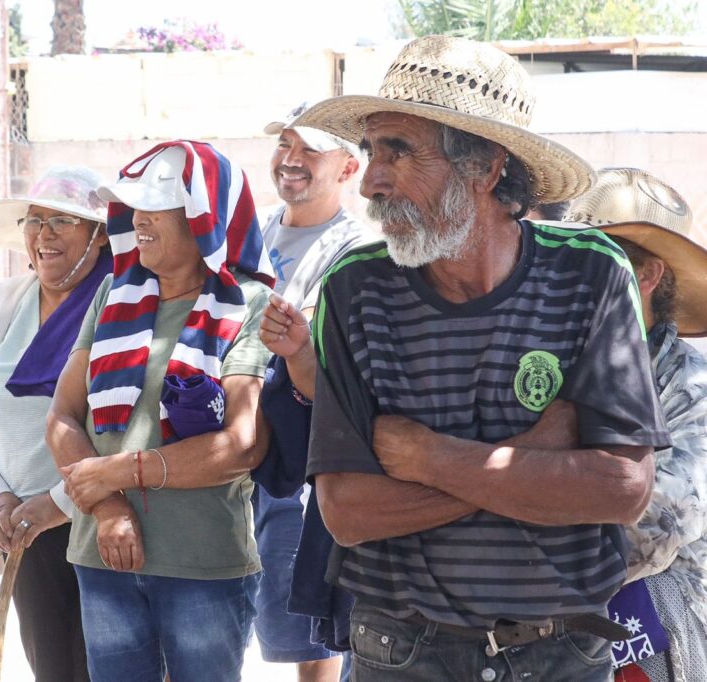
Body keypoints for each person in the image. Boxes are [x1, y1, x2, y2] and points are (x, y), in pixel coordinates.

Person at [293, 36, 671, 681]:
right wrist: (537, 453)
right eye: (370, 151)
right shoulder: (354, 287)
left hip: (563, 651)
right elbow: (349, 513)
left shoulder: (591, 274)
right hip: (402, 651)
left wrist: (429, 458)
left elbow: (621, 490)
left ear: (486, 166)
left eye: (400, 151)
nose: (373, 179)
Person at [46, 141, 275, 682]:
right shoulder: (112, 294)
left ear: (203, 218)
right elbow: (61, 416)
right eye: (133, 207)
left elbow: (241, 444)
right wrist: (108, 507)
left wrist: (118, 472)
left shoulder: (247, 303)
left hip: (202, 563)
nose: (137, 218)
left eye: (156, 207)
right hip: (102, 555)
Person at [0, 167, 110, 682]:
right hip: (25, 530)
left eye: (63, 220)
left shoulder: (121, 306)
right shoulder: (4, 303)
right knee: (54, 669)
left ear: (99, 235)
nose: (44, 235)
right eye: (34, 221)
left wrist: (56, 504)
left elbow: (122, 429)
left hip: (106, 521)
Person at [564, 168, 707, 682]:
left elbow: (657, 527)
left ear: (648, 275)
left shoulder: (692, 388)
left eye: (598, 259)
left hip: (652, 624)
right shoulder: (544, 361)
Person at [252, 101, 366, 681]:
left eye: (310, 150)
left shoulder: (358, 254)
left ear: (348, 169)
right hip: (238, 456)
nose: (290, 160)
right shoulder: (251, 235)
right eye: (285, 144)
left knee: (309, 638)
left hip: (299, 467)